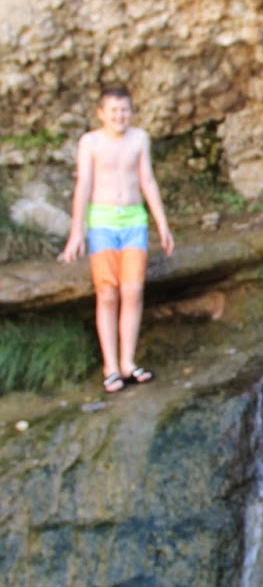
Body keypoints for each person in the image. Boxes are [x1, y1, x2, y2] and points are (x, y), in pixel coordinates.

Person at [59, 84, 174, 393]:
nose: (120, 116)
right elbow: (83, 185)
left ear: (131, 112)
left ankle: (128, 362)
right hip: (103, 224)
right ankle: (110, 366)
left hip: (134, 221)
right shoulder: (90, 142)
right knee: (107, 293)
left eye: (124, 110)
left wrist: (162, 224)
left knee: (133, 291)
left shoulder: (139, 139)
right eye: (113, 111)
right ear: (101, 114)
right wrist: (76, 232)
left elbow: (147, 180)